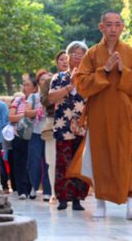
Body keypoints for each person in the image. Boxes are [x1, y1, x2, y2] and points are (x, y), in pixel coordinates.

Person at [72, 10, 132, 220]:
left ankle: (131, 206)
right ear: (101, 27)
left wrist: (125, 70)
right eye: (109, 24)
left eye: (117, 24)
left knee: (131, 157)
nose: (113, 29)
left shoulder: (131, 53)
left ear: (123, 27)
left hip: (125, 115)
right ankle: (100, 203)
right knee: (101, 157)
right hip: (100, 115)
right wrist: (104, 70)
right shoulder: (92, 55)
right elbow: (81, 84)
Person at [48, 41, 89, 211]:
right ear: (68, 56)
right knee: (63, 163)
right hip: (63, 126)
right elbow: (51, 98)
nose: (78, 58)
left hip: (82, 126)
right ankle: (63, 198)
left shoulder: (88, 78)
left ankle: (78, 199)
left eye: (81, 55)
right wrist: (70, 85)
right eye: (75, 54)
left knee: (79, 162)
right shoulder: (58, 78)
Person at [41, 51, 69, 202]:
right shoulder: (49, 81)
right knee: (52, 160)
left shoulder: (78, 78)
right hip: (53, 121)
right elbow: (45, 100)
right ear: (57, 62)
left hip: (72, 124)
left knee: (69, 159)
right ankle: (54, 192)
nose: (64, 62)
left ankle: (69, 193)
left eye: (67, 59)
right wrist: (60, 94)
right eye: (61, 59)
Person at [25, 69, 52, 201]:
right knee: (34, 162)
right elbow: (27, 112)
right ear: (38, 82)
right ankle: (34, 187)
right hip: (36, 134)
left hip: (49, 134)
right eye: (42, 79)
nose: (45, 82)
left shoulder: (53, 95)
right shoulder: (33, 97)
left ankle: (47, 190)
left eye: (48, 79)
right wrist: (38, 111)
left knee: (48, 163)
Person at [9, 78, 38, 199]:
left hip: (34, 135)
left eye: (28, 85)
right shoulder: (18, 100)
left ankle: (32, 187)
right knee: (19, 163)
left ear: (35, 88)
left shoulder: (38, 100)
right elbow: (11, 117)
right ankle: (22, 190)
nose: (24, 87)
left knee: (32, 162)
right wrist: (25, 114)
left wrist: (26, 115)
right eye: (24, 85)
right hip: (19, 135)